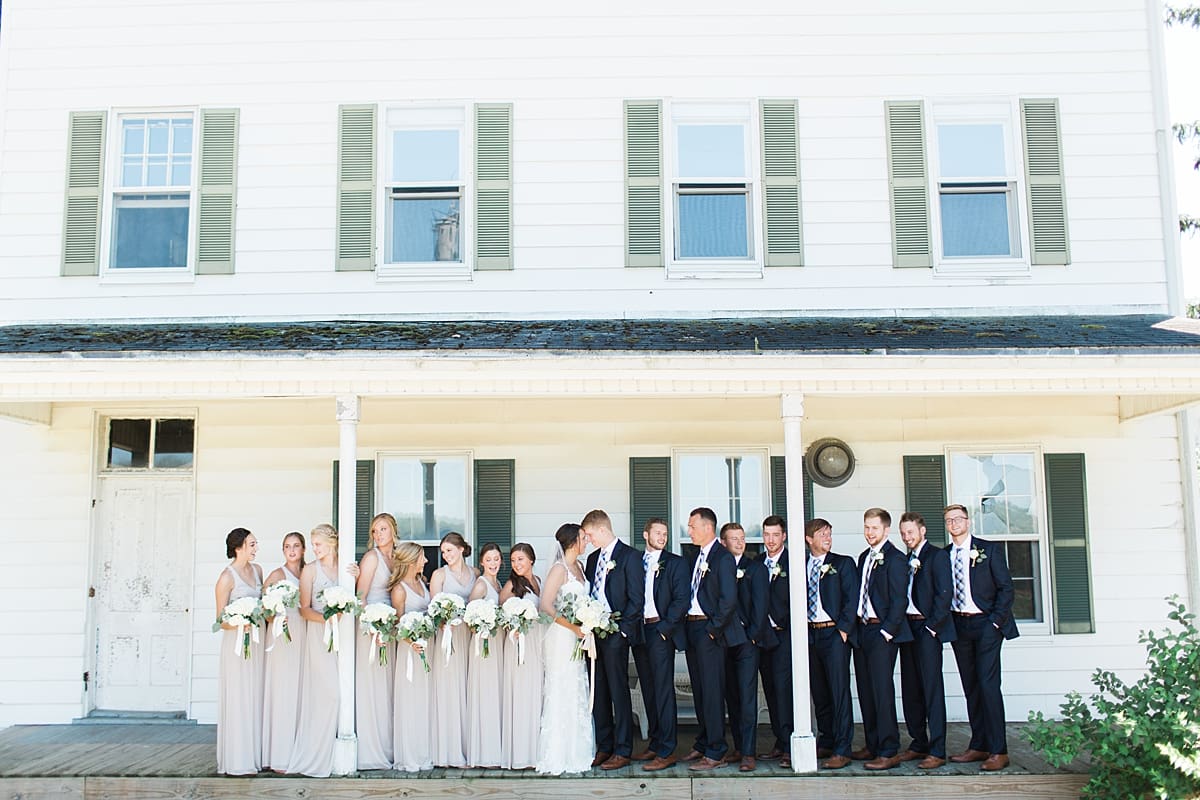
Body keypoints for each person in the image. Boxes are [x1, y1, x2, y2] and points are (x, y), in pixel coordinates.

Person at [944, 504, 1019, 772]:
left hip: (987, 624)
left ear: (968, 522)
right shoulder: (944, 555)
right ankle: (979, 745)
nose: (954, 523)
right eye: (949, 520)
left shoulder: (989, 550)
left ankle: (999, 750)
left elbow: (1006, 588)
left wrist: (995, 622)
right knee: (971, 687)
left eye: (958, 519)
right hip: (959, 625)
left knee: (988, 686)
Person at [581, 508, 645, 770]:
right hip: (593, 635)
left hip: (616, 633)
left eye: (590, 535)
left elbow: (637, 599)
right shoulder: (593, 558)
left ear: (602, 529)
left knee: (619, 691)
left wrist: (622, 631)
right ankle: (605, 746)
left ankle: (623, 749)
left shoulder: (630, 556)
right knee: (598, 691)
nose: (588, 540)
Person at [680, 507, 743, 772]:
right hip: (692, 628)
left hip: (709, 631)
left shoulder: (723, 557)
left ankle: (716, 750)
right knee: (700, 690)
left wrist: (712, 630)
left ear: (708, 528)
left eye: (692, 526)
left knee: (713, 691)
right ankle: (704, 741)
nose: (689, 531)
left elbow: (728, 600)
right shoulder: (697, 556)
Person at [852, 507, 913, 770]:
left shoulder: (896, 559)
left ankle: (888, 750)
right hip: (862, 630)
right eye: (866, 527)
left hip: (882, 632)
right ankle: (873, 744)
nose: (869, 532)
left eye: (874, 528)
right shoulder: (864, 556)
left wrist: (887, 632)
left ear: (886, 530)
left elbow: (900, 600)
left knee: (882, 690)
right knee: (865, 690)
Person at [535, 523, 597, 775]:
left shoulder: (579, 567)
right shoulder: (559, 569)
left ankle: (578, 750)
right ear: (573, 541)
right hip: (562, 636)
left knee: (577, 686)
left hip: (578, 635)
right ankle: (559, 752)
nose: (587, 541)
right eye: (583, 538)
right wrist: (573, 627)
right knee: (563, 687)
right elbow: (546, 605)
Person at [897, 511, 954, 769]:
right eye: (903, 533)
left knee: (931, 688)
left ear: (922, 531)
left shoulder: (937, 556)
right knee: (911, 688)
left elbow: (945, 594)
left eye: (910, 532)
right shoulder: (906, 559)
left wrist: (932, 627)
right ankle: (918, 742)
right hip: (907, 627)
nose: (906, 537)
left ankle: (937, 749)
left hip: (927, 628)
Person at [630, 517, 688, 773]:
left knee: (663, 690)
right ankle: (655, 742)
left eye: (665, 533)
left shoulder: (675, 563)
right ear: (646, 535)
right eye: (657, 533)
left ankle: (667, 750)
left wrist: (665, 629)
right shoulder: (634, 562)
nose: (662, 537)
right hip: (639, 631)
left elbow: (682, 600)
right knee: (648, 689)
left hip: (660, 631)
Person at [289, 524, 346, 777]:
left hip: (344, 634)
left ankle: (338, 752)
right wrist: (327, 619)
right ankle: (317, 752)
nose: (315, 549)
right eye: (313, 545)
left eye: (318, 544)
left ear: (331, 543)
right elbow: (304, 609)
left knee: (345, 690)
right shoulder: (310, 570)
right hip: (319, 634)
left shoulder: (345, 567)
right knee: (329, 693)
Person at [803, 518, 859, 770]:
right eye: (822, 534)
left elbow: (851, 599)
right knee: (819, 692)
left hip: (834, 634)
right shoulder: (800, 565)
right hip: (810, 634)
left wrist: (843, 631)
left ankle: (842, 748)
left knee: (839, 691)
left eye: (829, 533)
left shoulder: (842, 563)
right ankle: (826, 739)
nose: (827, 538)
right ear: (809, 539)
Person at [720, 521, 770, 772]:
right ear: (723, 543)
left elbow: (761, 607)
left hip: (747, 642)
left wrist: (751, 637)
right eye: (734, 539)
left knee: (747, 696)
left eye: (742, 538)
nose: (740, 542)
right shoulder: (720, 567)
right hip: (724, 642)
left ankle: (749, 752)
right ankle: (739, 747)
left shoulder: (755, 568)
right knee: (732, 696)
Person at [214, 527, 264, 776]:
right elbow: (219, 621)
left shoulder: (258, 571)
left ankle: (254, 756)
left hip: (257, 643)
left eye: (255, 544)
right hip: (236, 645)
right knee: (239, 697)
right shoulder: (226, 577)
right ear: (238, 547)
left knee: (255, 696)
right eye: (252, 544)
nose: (256, 548)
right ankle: (237, 760)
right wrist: (239, 621)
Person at [428, 531, 476, 768]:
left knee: (468, 689)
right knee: (450, 690)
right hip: (448, 636)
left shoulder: (475, 573)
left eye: (449, 550)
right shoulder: (439, 575)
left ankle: (470, 747)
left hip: (470, 635)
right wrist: (445, 621)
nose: (445, 555)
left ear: (461, 549)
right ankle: (449, 751)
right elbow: (433, 610)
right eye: (443, 552)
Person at [355, 512, 399, 770]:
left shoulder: (398, 556)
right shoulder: (371, 558)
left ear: (393, 530)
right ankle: (372, 750)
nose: (378, 534)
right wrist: (371, 627)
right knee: (373, 687)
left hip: (391, 626)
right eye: (374, 530)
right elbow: (360, 596)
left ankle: (389, 746)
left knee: (388, 687)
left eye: (383, 529)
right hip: (371, 627)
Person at [261, 531, 307, 773]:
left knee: (302, 691)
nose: (291, 550)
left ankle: (300, 751)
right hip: (282, 635)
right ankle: (279, 755)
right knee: (284, 691)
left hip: (304, 634)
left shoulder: (308, 572)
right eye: (287, 547)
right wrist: (277, 618)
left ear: (303, 550)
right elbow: (265, 611)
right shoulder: (277, 575)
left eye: (296, 546)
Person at [389, 541, 434, 773]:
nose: (425, 561)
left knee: (424, 702)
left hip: (426, 648)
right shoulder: (399, 590)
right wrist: (412, 641)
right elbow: (397, 625)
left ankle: (424, 752)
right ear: (410, 562)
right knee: (410, 702)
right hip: (410, 651)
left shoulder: (422, 583)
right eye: (422, 558)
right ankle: (409, 756)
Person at [500, 542, 545, 770]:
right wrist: (514, 626)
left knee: (536, 693)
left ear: (531, 560)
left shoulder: (538, 581)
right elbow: (500, 614)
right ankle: (520, 753)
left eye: (521, 559)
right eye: (513, 560)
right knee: (521, 694)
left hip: (537, 644)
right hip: (519, 645)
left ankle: (535, 751)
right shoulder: (511, 585)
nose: (516, 564)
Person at [757, 514, 794, 768]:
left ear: (784, 536)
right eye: (767, 535)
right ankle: (780, 741)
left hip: (784, 634)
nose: (770, 540)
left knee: (784, 690)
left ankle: (790, 744)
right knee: (770, 689)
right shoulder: (756, 563)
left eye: (775, 535)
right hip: (762, 637)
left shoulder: (794, 562)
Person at [466, 542, 505, 767]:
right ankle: (484, 753)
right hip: (483, 646)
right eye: (488, 560)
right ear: (481, 562)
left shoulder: (498, 584)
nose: (493, 563)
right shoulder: (481, 585)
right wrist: (484, 627)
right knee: (485, 693)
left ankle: (495, 749)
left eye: (496, 559)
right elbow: (470, 619)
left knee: (495, 693)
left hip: (497, 644)